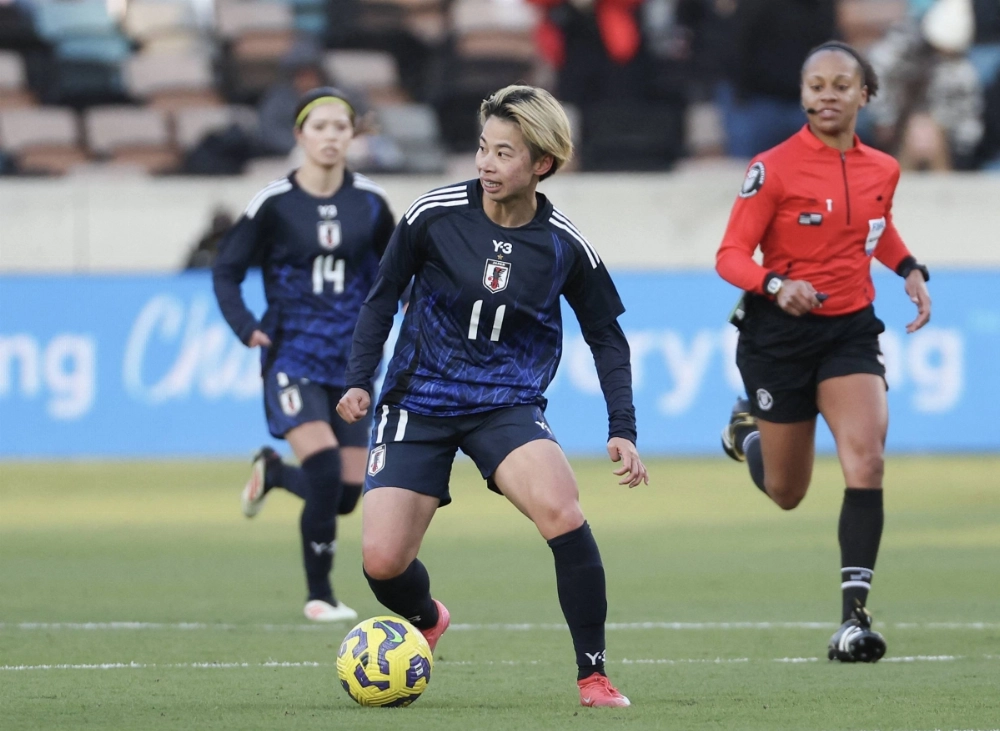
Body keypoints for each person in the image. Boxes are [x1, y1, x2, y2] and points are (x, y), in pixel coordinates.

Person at [336, 84, 648, 708]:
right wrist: (358, 378)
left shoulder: (564, 244)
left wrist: (623, 426)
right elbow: (380, 298)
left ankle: (593, 675)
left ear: (542, 164)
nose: (485, 164)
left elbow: (607, 338)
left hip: (505, 404)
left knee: (563, 511)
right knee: (382, 562)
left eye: (504, 153)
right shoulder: (433, 214)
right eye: (482, 148)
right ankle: (427, 617)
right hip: (418, 401)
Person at [715, 41, 933, 663]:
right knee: (788, 491)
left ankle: (853, 624)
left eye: (842, 84)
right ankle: (747, 432)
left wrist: (908, 267)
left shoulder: (882, 168)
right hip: (778, 337)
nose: (827, 95)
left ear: (865, 94)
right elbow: (730, 255)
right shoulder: (773, 167)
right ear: (803, 93)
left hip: (849, 332)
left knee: (866, 461)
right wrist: (776, 285)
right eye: (816, 85)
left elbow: (874, 225)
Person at [212, 87, 395, 622]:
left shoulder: (370, 201)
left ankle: (272, 472)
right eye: (320, 127)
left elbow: (396, 272)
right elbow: (226, 269)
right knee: (319, 473)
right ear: (300, 135)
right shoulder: (274, 203)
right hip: (293, 356)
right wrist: (245, 326)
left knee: (345, 493)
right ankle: (321, 596)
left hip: (355, 362)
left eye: (342, 127)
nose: (332, 136)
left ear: (352, 135)